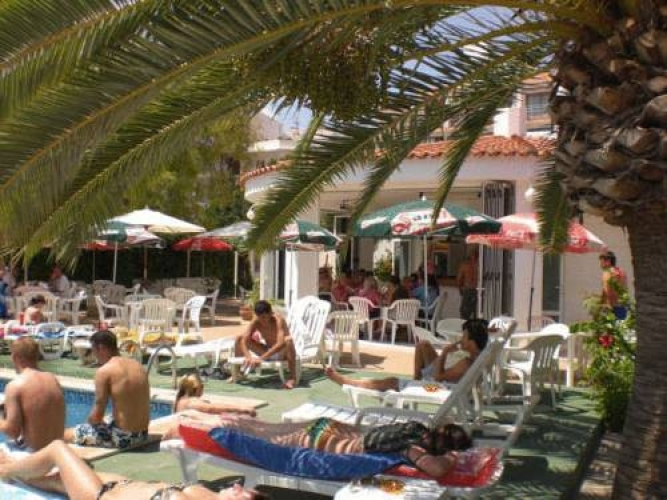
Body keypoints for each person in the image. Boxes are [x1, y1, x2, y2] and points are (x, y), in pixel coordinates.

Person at [181, 414, 472, 478]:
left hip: (330, 427)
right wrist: (453, 456)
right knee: (267, 440)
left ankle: (206, 419)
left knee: (263, 428)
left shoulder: (416, 428)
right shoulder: (414, 448)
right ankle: (206, 426)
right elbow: (437, 470)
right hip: (325, 441)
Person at [0, 439, 268, 499]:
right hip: (118, 484)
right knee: (53, 479)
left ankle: (5, 470)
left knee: (59, 449)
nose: (237, 485)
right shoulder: (209, 495)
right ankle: (11, 468)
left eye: (245, 494)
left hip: (99, 496)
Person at [325, 319, 489, 392]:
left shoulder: (466, 363)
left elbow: (439, 378)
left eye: (464, 336)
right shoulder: (477, 358)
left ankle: (348, 382)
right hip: (441, 385)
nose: (461, 339)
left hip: (434, 389)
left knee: (390, 382)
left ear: (472, 341)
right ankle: (414, 381)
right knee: (423, 345)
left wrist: (445, 352)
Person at [64, 330, 151, 449]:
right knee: (109, 418)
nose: (94, 356)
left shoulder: (105, 371)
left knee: (64, 434)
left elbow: (96, 417)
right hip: (142, 434)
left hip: (124, 439)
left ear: (101, 348)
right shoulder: (137, 365)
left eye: (93, 351)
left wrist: (86, 425)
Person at [0, 338, 65, 451]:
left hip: (33, 454)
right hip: (56, 450)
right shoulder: (53, 379)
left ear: (15, 357)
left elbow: (12, 432)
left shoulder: (15, 386)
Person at [233, 300, 298, 389]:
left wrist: (261, 358)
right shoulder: (256, 321)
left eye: (264, 317)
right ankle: (238, 374)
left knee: (288, 340)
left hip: (282, 354)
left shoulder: (278, 320)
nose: (262, 320)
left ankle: (292, 378)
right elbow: (244, 339)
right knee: (239, 338)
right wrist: (248, 357)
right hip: (267, 351)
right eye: (260, 317)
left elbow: (280, 343)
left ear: (270, 313)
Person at [173, 373, 257, 416]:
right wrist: (240, 408)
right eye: (202, 386)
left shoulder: (180, 400)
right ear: (197, 388)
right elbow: (211, 408)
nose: (203, 388)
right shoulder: (192, 402)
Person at [599, 250, 629, 320]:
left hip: (612, 308)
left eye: (601, 261)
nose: (600, 264)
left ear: (608, 261)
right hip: (623, 306)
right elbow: (625, 289)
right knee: (622, 326)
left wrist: (600, 306)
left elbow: (606, 292)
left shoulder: (606, 273)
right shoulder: (622, 272)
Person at [456, 249, 479, 319]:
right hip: (478, 291)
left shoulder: (465, 266)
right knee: (477, 313)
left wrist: (460, 290)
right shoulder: (480, 266)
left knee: (464, 314)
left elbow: (459, 280)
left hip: (468, 290)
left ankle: (465, 325)